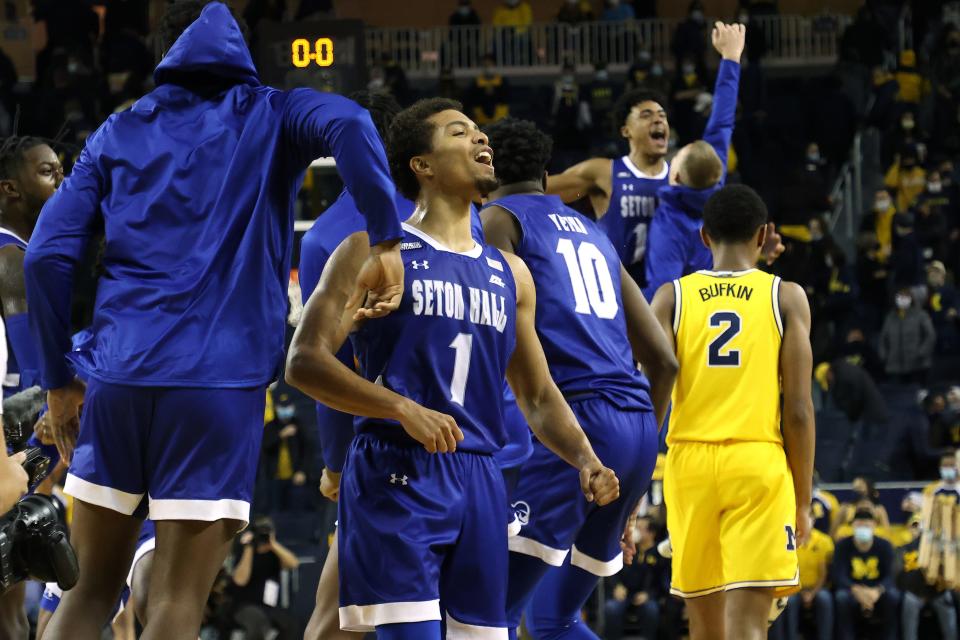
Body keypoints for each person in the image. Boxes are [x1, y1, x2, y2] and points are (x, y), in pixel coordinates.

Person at [23, 3, 409, 639]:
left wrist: (60, 381)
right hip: (216, 387)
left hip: (117, 377)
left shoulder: (118, 130)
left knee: (88, 592)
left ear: (164, 54)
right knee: (177, 598)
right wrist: (387, 240)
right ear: (242, 52)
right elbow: (352, 121)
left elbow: (44, 256)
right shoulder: (276, 111)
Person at [285, 97, 619, 638]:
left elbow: (536, 394)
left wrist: (586, 458)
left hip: (481, 478)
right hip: (397, 470)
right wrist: (400, 408)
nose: (481, 140)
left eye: (481, 132)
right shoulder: (372, 252)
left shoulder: (510, 272)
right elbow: (303, 363)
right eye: (460, 133)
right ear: (423, 165)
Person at [480, 117, 677, 639]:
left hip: (572, 425)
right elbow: (665, 361)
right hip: (635, 428)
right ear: (547, 175)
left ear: (487, 171)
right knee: (552, 620)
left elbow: (494, 333)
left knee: (487, 614)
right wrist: (636, 477)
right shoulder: (594, 232)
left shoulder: (497, 220)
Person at [650, 184, 815, 640]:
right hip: (756, 463)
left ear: (703, 237)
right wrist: (802, 500)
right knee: (747, 627)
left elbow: (648, 398)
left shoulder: (670, 297)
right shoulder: (786, 297)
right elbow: (799, 411)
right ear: (764, 236)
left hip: (687, 465)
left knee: (704, 630)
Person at [0, 134, 63, 638]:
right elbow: (33, 375)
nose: (60, 180)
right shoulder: (13, 258)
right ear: (10, 189)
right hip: (10, 447)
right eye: (47, 172)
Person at [641, 22, 743, 300]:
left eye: (678, 158)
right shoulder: (715, 178)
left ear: (675, 178)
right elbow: (723, 116)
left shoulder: (671, 223)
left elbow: (661, 293)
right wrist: (731, 58)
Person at [545, 84, 669, 287]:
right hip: (618, 293)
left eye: (662, 115)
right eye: (646, 115)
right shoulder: (604, 172)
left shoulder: (679, 177)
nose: (658, 119)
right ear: (626, 130)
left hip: (667, 294)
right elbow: (535, 190)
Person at [227, 517, 300, 640]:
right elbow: (240, 580)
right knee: (257, 622)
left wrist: (273, 545)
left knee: (290, 624)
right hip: (244, 605)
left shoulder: (274, 554)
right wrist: (249, 547)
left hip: (269, 607)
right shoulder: (244, 551)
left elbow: (293, 564)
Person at [832, 510, 900, 640]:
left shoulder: (885, 546)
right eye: (859, 525)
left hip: (878, 590)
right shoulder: (842, 546)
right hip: (852, 589)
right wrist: (855, 590)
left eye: (867, 526)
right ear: (853, 526)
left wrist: (878, 591)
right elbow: (838, 575)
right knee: (841, 597)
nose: (863, 529)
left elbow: (891, 575)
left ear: (874, 526)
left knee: (893, 597)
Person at [771, 506, 834, 640]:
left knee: (825, 599)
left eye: (808, 517)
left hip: (817, 587)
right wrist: (795, 591)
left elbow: (824, 574)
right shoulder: (787, 539)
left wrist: (812, 593)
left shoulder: (824, 541)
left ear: (813, 519)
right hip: (792, 588)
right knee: (788, 601)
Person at [603, 516, 670, 640]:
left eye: (639, 528)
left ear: (651, 533)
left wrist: (648, 594)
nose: (635, 532)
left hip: (647, 596)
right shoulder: (627, 550)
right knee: (611, 608)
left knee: (651, 610)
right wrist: (617, 586)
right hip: (624, 594)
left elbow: (662, 582)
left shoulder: (660, 553)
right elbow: (612, 570)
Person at [898, 515, 957, 640]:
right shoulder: (903, 549)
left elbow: (947, 573)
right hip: (914, 593)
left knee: (947, 599)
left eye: (921, 526)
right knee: (909, 600)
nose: (918, 529)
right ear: (909, 529)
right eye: (914, 526)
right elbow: (900, 577)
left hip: (937, 592)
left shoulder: (938, 548)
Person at [879, 288, 936, 384]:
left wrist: (921, 353)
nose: (902, 299)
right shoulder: (890, 317)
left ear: (911, 299)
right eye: (900, 297)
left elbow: (930, 335)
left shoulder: (920, 315)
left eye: (905, 296)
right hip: (894, 366)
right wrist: (884, 355)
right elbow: (883, 338)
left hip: (917, 365)